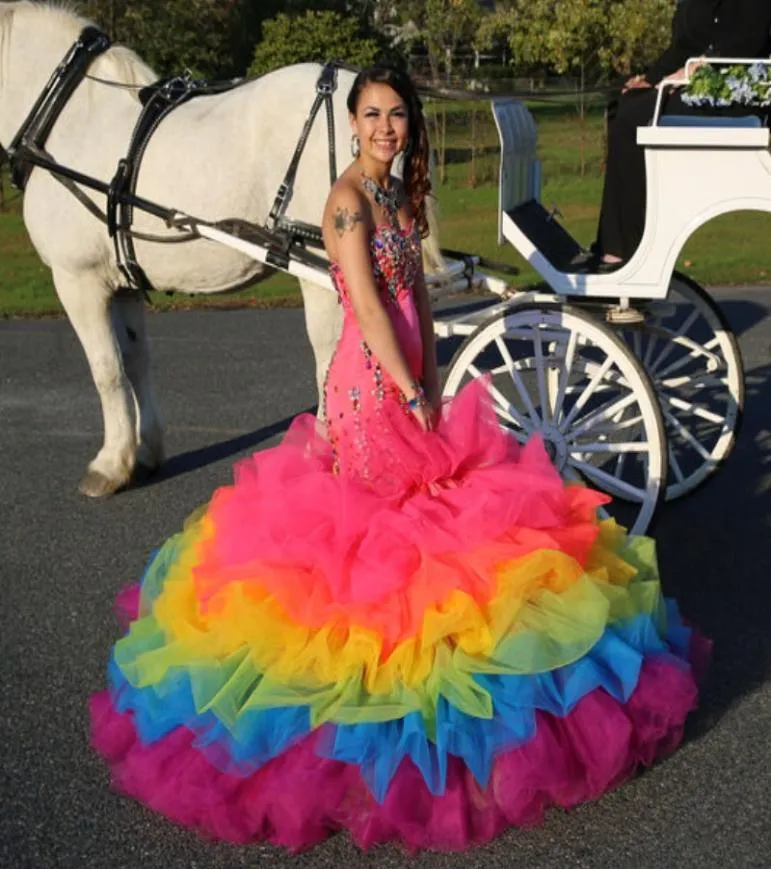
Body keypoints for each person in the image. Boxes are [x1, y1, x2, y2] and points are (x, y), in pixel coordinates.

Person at [89, 66, 708, 851]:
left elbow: (418, 299)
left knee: (430, 533)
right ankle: (367, 716)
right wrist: (408, 386)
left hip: (413, 375)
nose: (386, 127)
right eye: (372, 115)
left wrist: (438, 373)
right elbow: (371, 307)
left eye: (396, 116)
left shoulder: (397, 198)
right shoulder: (347, 203)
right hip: (367, 388)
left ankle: (434, 689)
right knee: (378, 542)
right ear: (352, 124)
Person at [591, 0, 771, 271]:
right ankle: (618, 239)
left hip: (737, 94)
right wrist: (650, 79)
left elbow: (747, 37)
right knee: (622, 103)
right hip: (707, 82)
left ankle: (623, 251)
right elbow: (684, 47)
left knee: (634, 118)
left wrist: (696, 69)